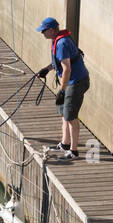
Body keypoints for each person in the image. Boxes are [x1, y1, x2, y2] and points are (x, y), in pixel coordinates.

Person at [36, 16, 90, 157]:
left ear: (52, 30)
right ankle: (65, 143)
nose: (42, 33)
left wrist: (62, 90)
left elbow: (67, 69)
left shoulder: (62, 43)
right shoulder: (56, 41)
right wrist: (46, 69)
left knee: (71, 116)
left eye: (44, 31)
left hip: (76, 82)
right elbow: (59, 62)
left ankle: (73, 150)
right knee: (64, 114)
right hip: (69, 82)